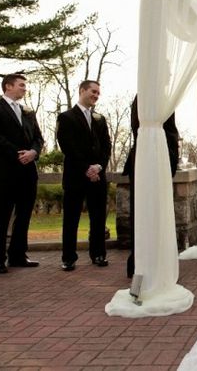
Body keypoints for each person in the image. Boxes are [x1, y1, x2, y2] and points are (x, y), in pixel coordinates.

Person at [0, 73, 44, 274]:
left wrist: (33, 152)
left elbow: (38, 137)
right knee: (1, 217)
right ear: (8, 86)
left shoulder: (27, 112)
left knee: (24, 215)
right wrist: (18, 154)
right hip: (4, 172)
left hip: (27, 172)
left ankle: (18, 255)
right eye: (21, 85)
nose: (25, 89)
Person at [57, 80, 111, 271]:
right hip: (76, 177)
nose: (96, 95)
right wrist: (87, 168)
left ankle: (98, 254)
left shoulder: (100, 119)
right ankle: (69, 257)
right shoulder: (66, 117)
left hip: (97, 176)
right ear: (82, 91)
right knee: (71, 219)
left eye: (98, 93)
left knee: (98, 218)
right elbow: (68, 146)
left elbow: (106, 146)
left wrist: (99, 167)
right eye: (93, 92)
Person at [123, 96, 179, 278]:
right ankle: (145, 262)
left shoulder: (148, 95)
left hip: (148, 156)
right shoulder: (154, 98)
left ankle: (150, 260)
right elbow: (170, 132)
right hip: (150, 158)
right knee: (144, 212)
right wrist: (170, 158)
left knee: (150, 212)